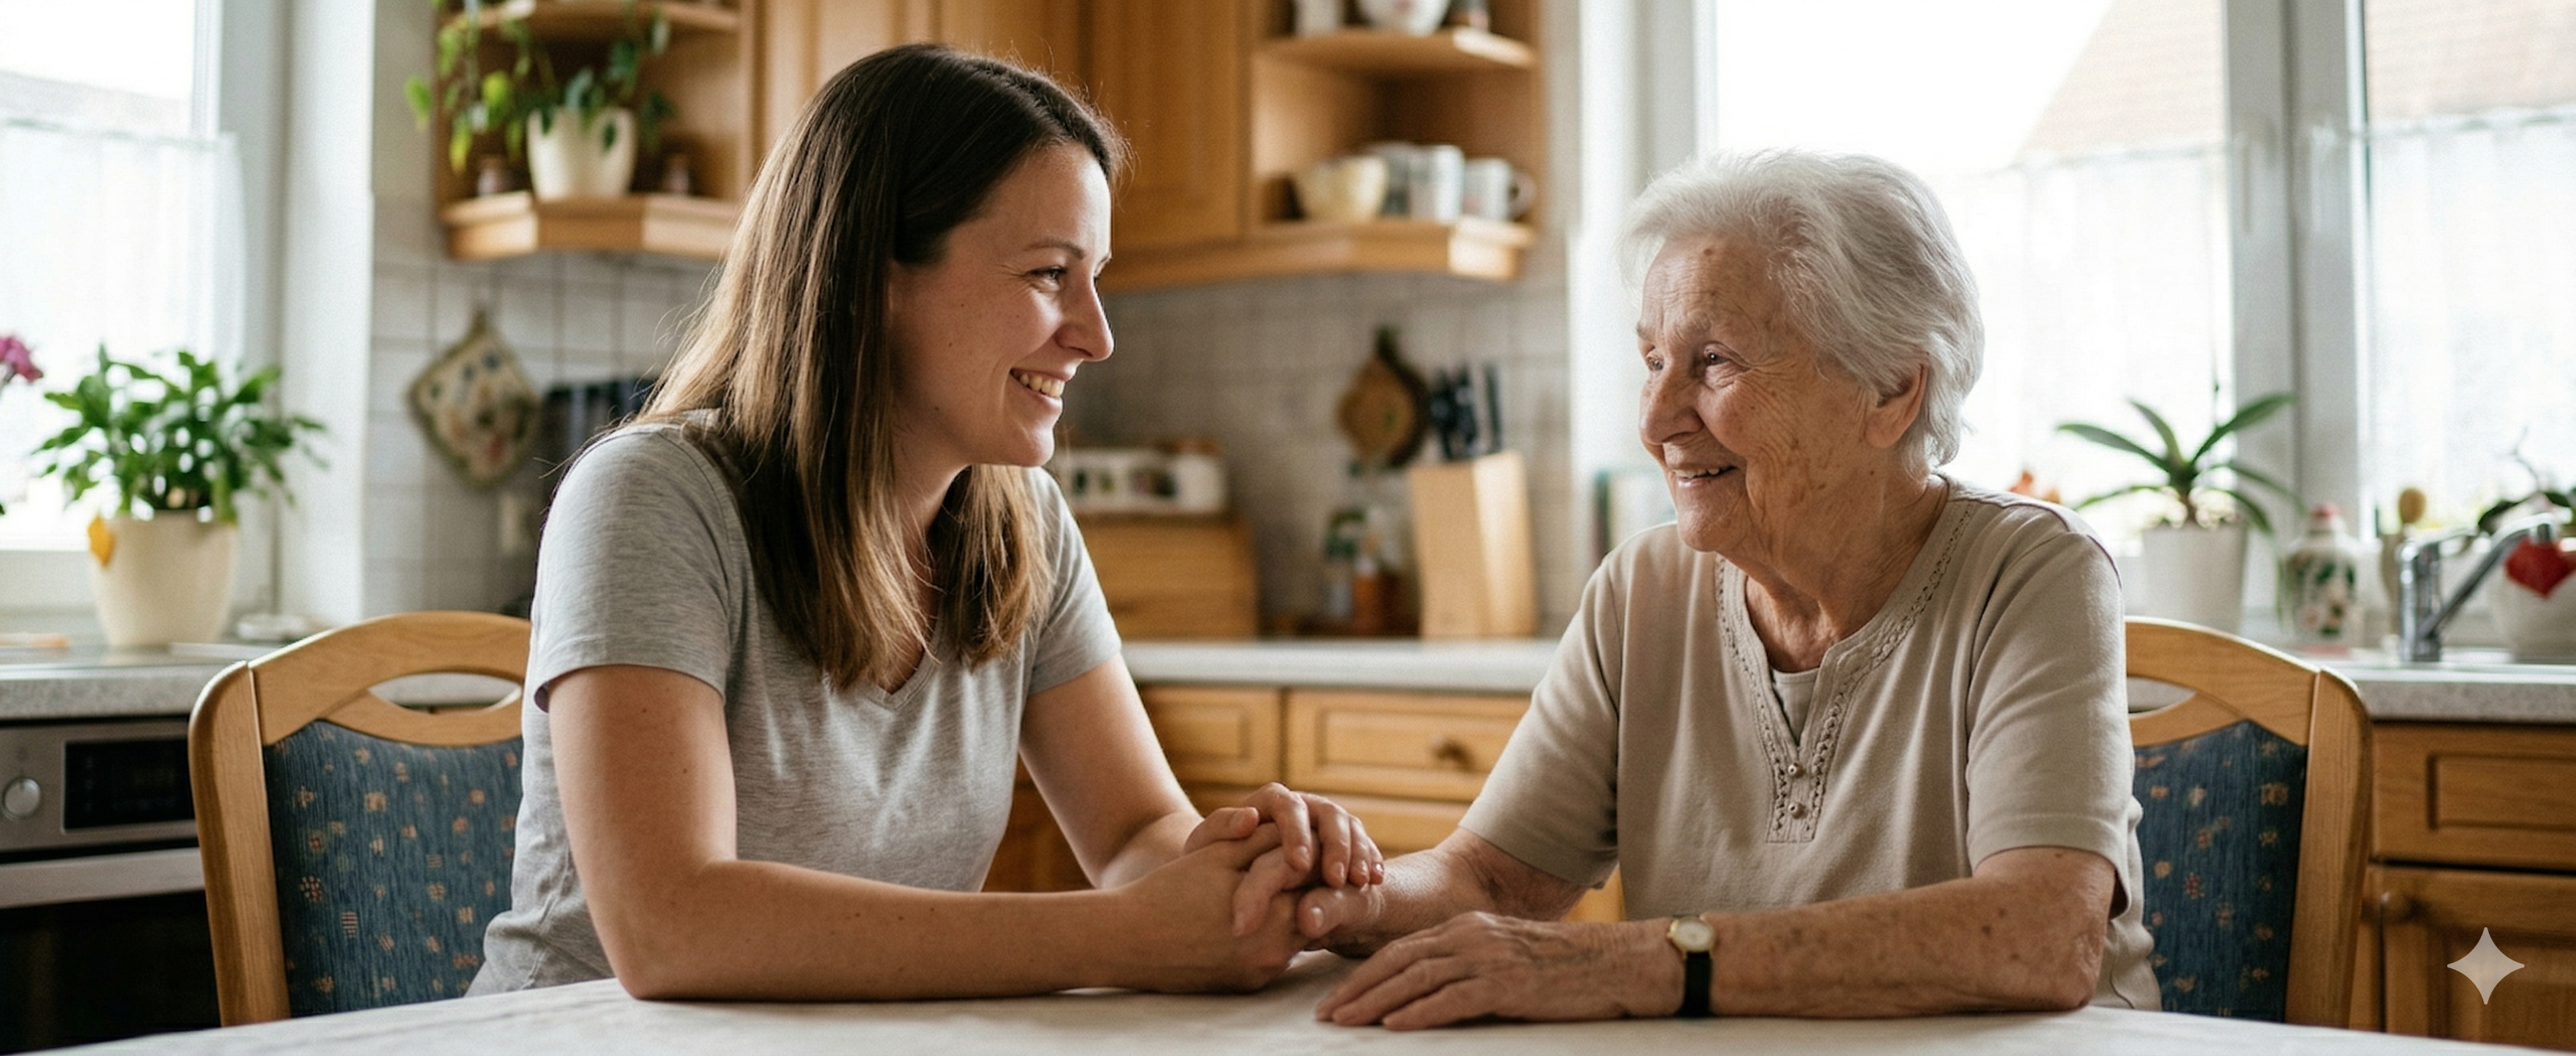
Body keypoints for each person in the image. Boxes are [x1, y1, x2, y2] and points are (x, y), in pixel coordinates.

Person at [470, 44, 1381, 1001]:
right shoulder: (650, 496)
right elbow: (670, 928)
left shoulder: (1023, 524)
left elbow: (1132, 835)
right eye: (1048, 273)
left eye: (1094, 277)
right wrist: (1120, 934)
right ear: (871, 275)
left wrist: (1251, 873)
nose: (1096, 335)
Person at [1298, 150, 2160, 1028]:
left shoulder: (2034, 573)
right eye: (1652, 359)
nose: (1654, 420)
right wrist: (1335, 894)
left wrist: (1637, 963)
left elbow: (2038, 933)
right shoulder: (1640, 592)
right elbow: (1490, 880)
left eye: (1713, 362)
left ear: (1891, 389)